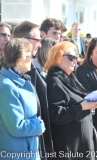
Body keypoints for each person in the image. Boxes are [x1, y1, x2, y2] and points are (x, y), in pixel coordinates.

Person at [44, 41, 97, 160]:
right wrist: (81, 107)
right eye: (71, 57)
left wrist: (95, 103)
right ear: (58, 58)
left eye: (76, 57)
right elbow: (56, 114)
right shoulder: (54, 81)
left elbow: (82, 101)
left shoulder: (69, 77)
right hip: (69, 148)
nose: (75, 60)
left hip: (82, 146)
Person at [12, 21, 53, 158]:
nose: (40, 45)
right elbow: (16, 125)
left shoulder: (30, 69)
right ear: (23, 41)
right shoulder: (9, 77)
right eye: (37, 40)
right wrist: (39, 125)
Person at [0, 38, 45, 160]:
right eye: (30, 55)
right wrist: (39, 125)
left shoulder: (19, 80)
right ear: (19, 59)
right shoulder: (6, 86)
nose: (33, 58)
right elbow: (17, 127)